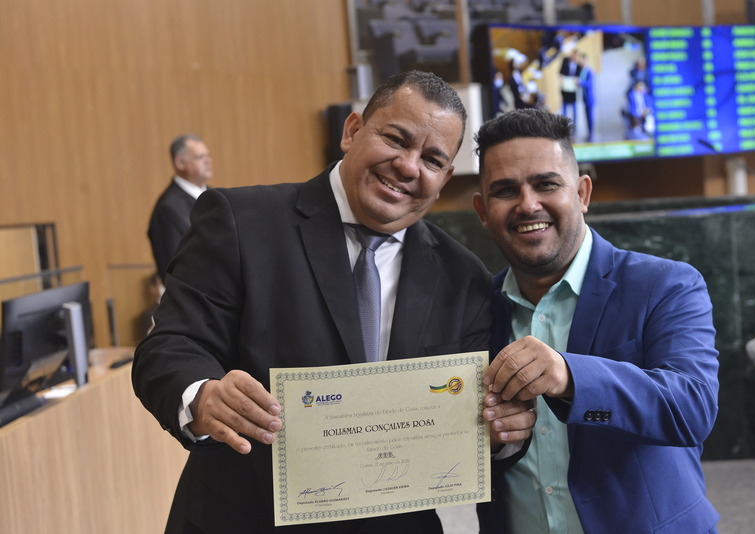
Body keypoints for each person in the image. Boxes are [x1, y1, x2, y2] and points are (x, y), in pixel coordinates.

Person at [132, 71, 535, 534]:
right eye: (396, 139)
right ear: (352, 131)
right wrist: (202, 394)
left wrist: (501, 433)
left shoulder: (464, 277)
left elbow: (477, 421)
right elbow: (170, 346)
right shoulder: (241, 222)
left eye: (432, 159)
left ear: (444, 179)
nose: (408, 166)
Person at [471, 108, 720, 533]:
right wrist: (490, 445)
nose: (528, 204)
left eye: (546, 184)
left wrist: (571, 377)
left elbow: (692, 409)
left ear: (582, 193)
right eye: (506, 190)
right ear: (482, 209)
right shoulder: (474, 306)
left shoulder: (665, 285)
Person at [147, 134, 213, 281]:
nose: (208, 161)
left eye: (208, 155)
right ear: (180, 163)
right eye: (200, 157)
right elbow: (175, 269)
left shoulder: (216, 197)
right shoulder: (168, 208)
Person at [558, 50, 581, 122]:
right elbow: (560, 72)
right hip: (565, 89)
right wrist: (562, 77)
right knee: (564, 106)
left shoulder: (578, 66)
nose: (574, 57)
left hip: (572, 90)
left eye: (575, 56)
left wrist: (577, 80)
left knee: (574, 107)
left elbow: (578, 77)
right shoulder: (565, 61)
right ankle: (564, 122)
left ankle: (575, 123)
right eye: (573, 55)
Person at [577, 53, 595, 141]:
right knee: (587, 116)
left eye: (584, 60)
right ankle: (589, 133)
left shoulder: (589, 71)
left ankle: (591, 134)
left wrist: (580, 82)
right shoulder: (582, 70)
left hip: (589, 97)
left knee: (590, 117)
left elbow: (589, 84)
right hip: (584, 97)